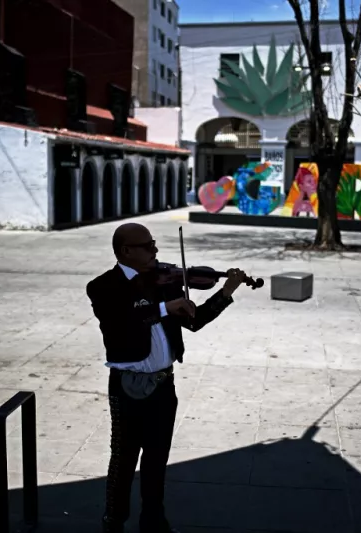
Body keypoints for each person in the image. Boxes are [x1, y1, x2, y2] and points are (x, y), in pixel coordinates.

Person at [86, 222, 246, 533]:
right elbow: (122, 320)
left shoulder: (165, 282)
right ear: (125, 251)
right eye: (147, 246)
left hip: (163, 385)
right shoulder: (103, 287)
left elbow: (194, 320)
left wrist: (225, 292)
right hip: (127, 387)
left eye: (154, 243)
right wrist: (163, 307)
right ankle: (114, 519)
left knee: (157, 458)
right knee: (124, 458)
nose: (155, 251)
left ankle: (153, 519)